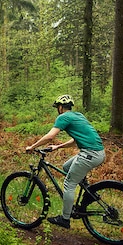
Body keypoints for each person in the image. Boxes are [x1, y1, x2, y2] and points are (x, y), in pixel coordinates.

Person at [25, 94, 105, 229]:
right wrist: (58, 146)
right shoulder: (78, 115)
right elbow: (76, 140)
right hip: (98, 153)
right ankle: (89, 193)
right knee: (67, 167)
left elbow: (50, 136)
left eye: (58, 107)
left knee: (69, 183)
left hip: (89, 154)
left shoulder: (63, 117)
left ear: (60, 107)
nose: (58, 109)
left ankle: (65, 218)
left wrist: (32, 147)